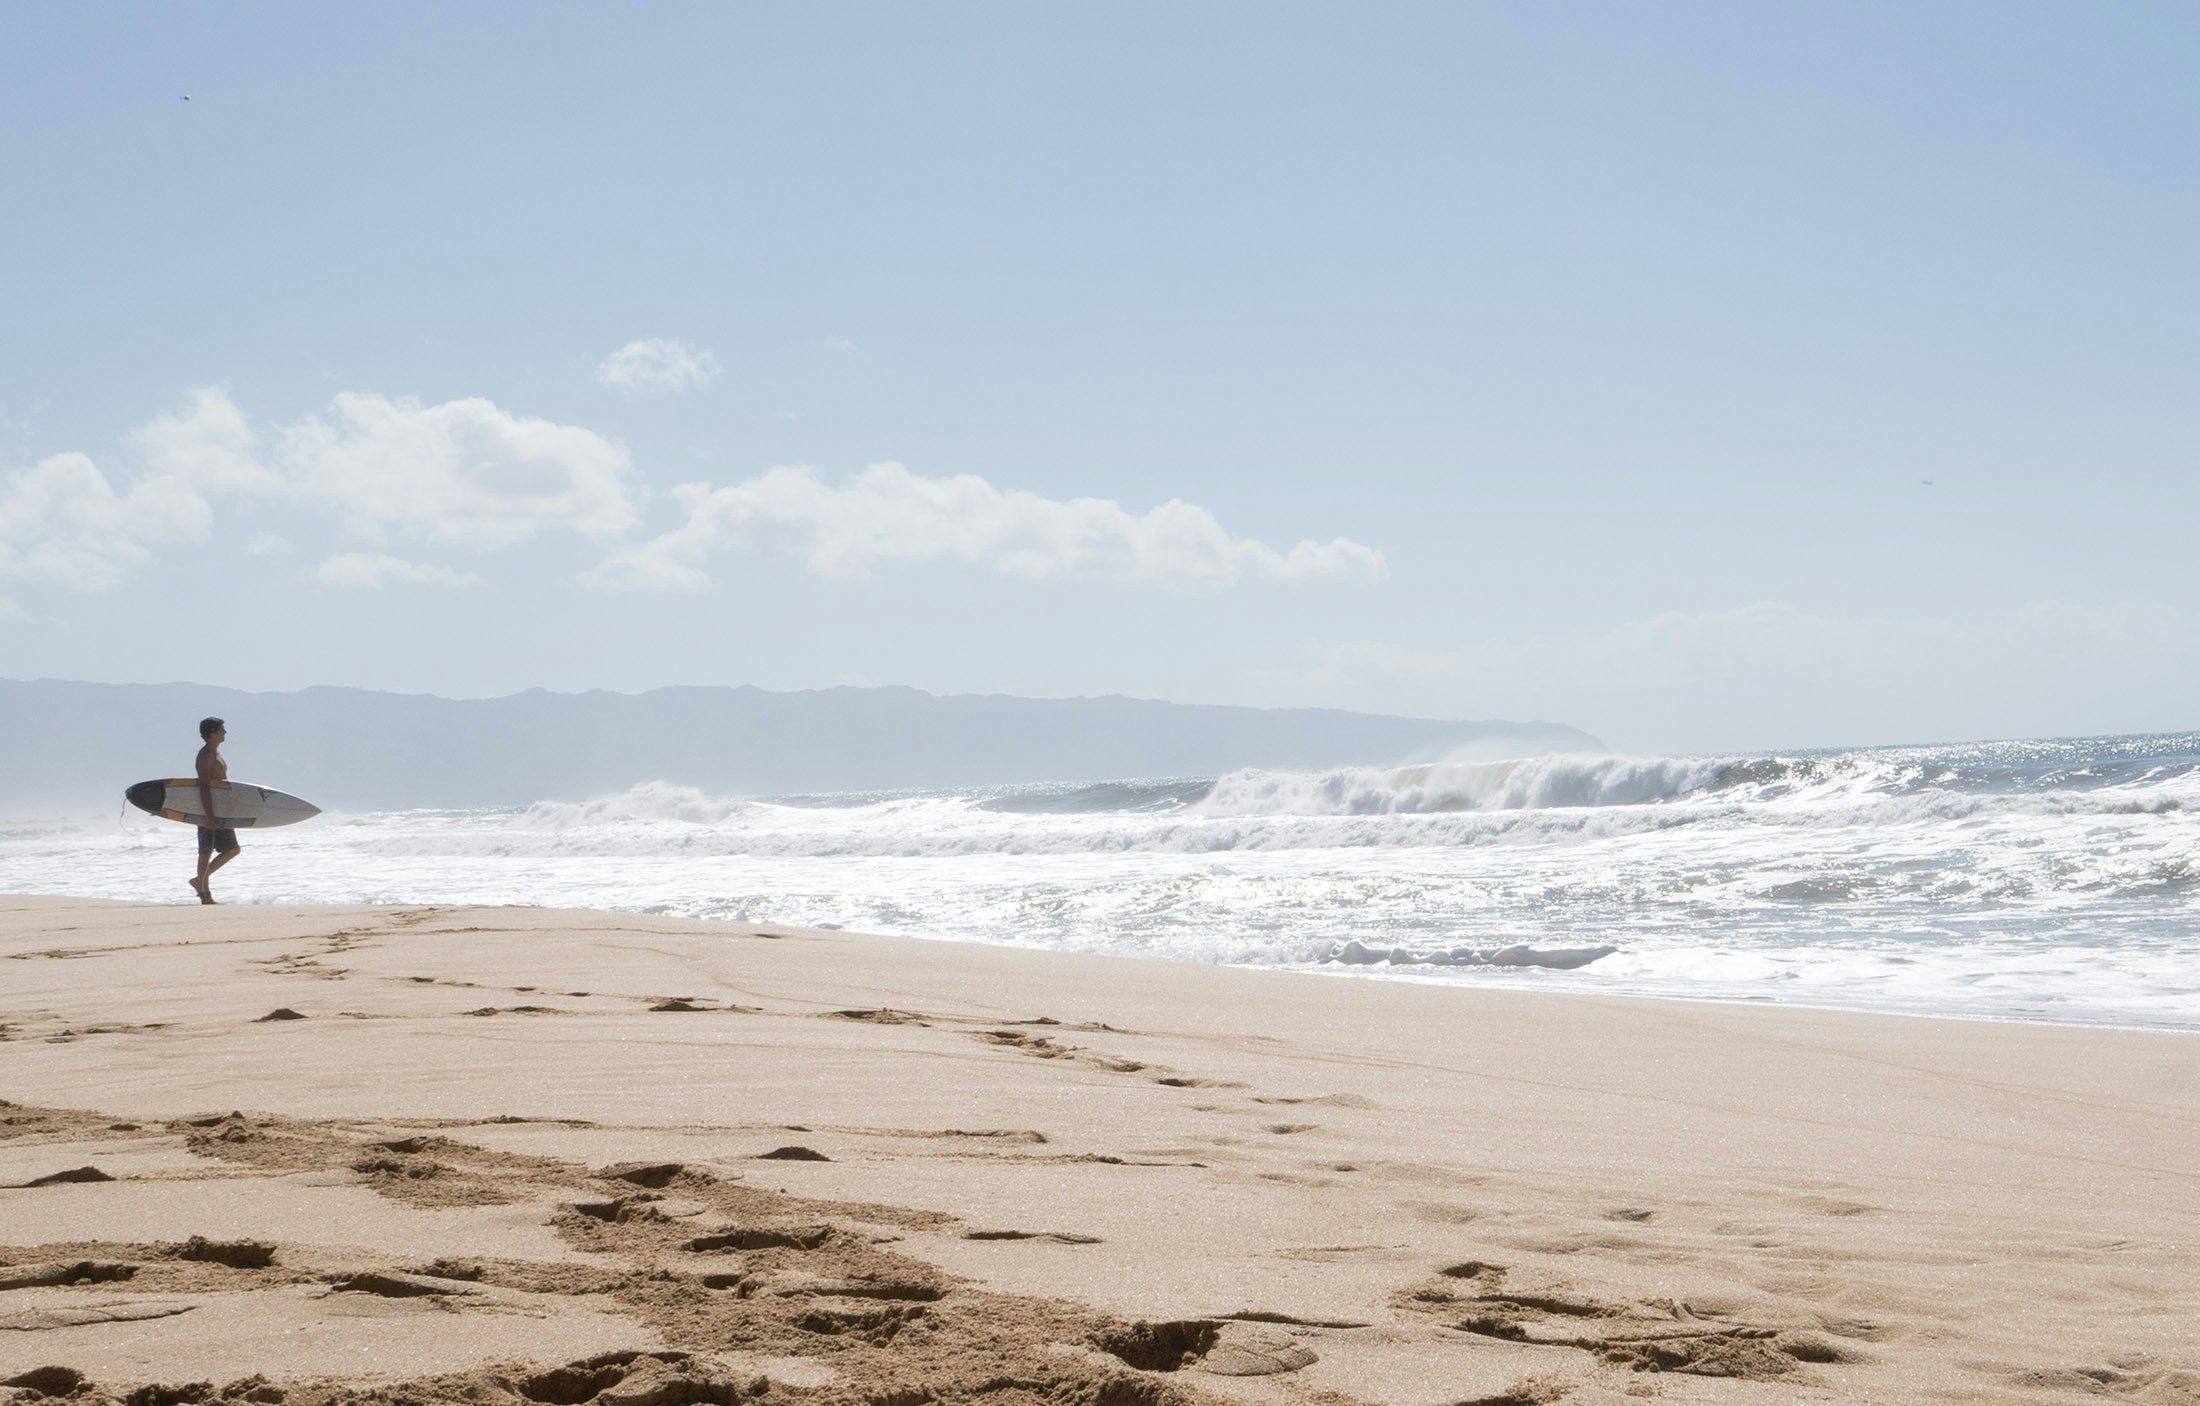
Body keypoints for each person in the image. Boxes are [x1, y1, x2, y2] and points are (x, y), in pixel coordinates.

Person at [191, 716, 240, 904]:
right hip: (208, 811)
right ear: (213, 733)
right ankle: (205, 895)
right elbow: (203, 788)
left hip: (221, 810)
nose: (225, 732)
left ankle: (199, 881)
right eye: (222, 730)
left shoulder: (216, 754)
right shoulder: (205, 757)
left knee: (233, 849)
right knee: (206, 851)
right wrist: (209, 817)